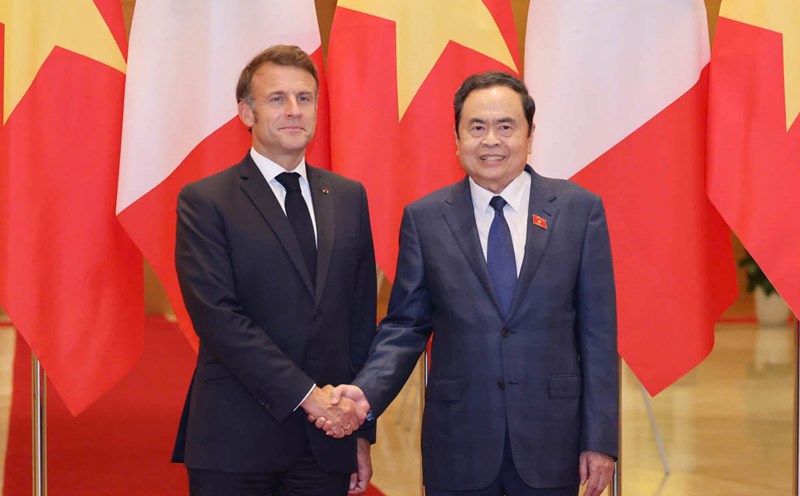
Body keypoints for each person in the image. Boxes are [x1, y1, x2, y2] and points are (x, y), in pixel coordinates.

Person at [319, 71, 618, 496]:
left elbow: (598, 336)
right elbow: (405, 327)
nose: (491, 140)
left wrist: (600, 440)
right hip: (459, 445)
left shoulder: (578, 211)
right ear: (456, 137)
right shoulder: (425, 218)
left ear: (530, 134)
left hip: (554, 442)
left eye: (506, 126)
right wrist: (364, 397)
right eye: (476, 127)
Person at [171, 45, 376, 496]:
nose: (293, 110)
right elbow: (219, 319)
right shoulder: (205, 201)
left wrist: (361, 432)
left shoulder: (348, 196)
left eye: (304, 98)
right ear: (246, 112)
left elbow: (359, 320)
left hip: (327, 442)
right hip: (236, 440)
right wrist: (310, 397)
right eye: (276, 98)